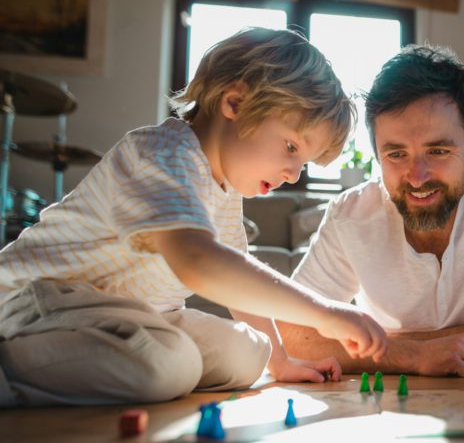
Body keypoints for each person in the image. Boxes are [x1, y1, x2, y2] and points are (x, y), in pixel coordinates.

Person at [0, 28, 387, 407]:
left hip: (134, 315)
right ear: (235, 103)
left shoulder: (223, 187)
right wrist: (325, 313)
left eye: (302, 162)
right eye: (290, 147)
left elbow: (238, 275)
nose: (293, 173)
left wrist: (281, 362)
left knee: (249, 354)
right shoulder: (162, 154)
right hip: (38, 303)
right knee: (169, 367)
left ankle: (144, 365)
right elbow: (199, 262)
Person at [277, 45, 464, 376]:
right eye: (396, 154)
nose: (417, 177)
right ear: (377, 157)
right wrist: (413, 355)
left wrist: (384, 348)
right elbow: (293, 332)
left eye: (438, 150)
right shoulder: (350, 216)